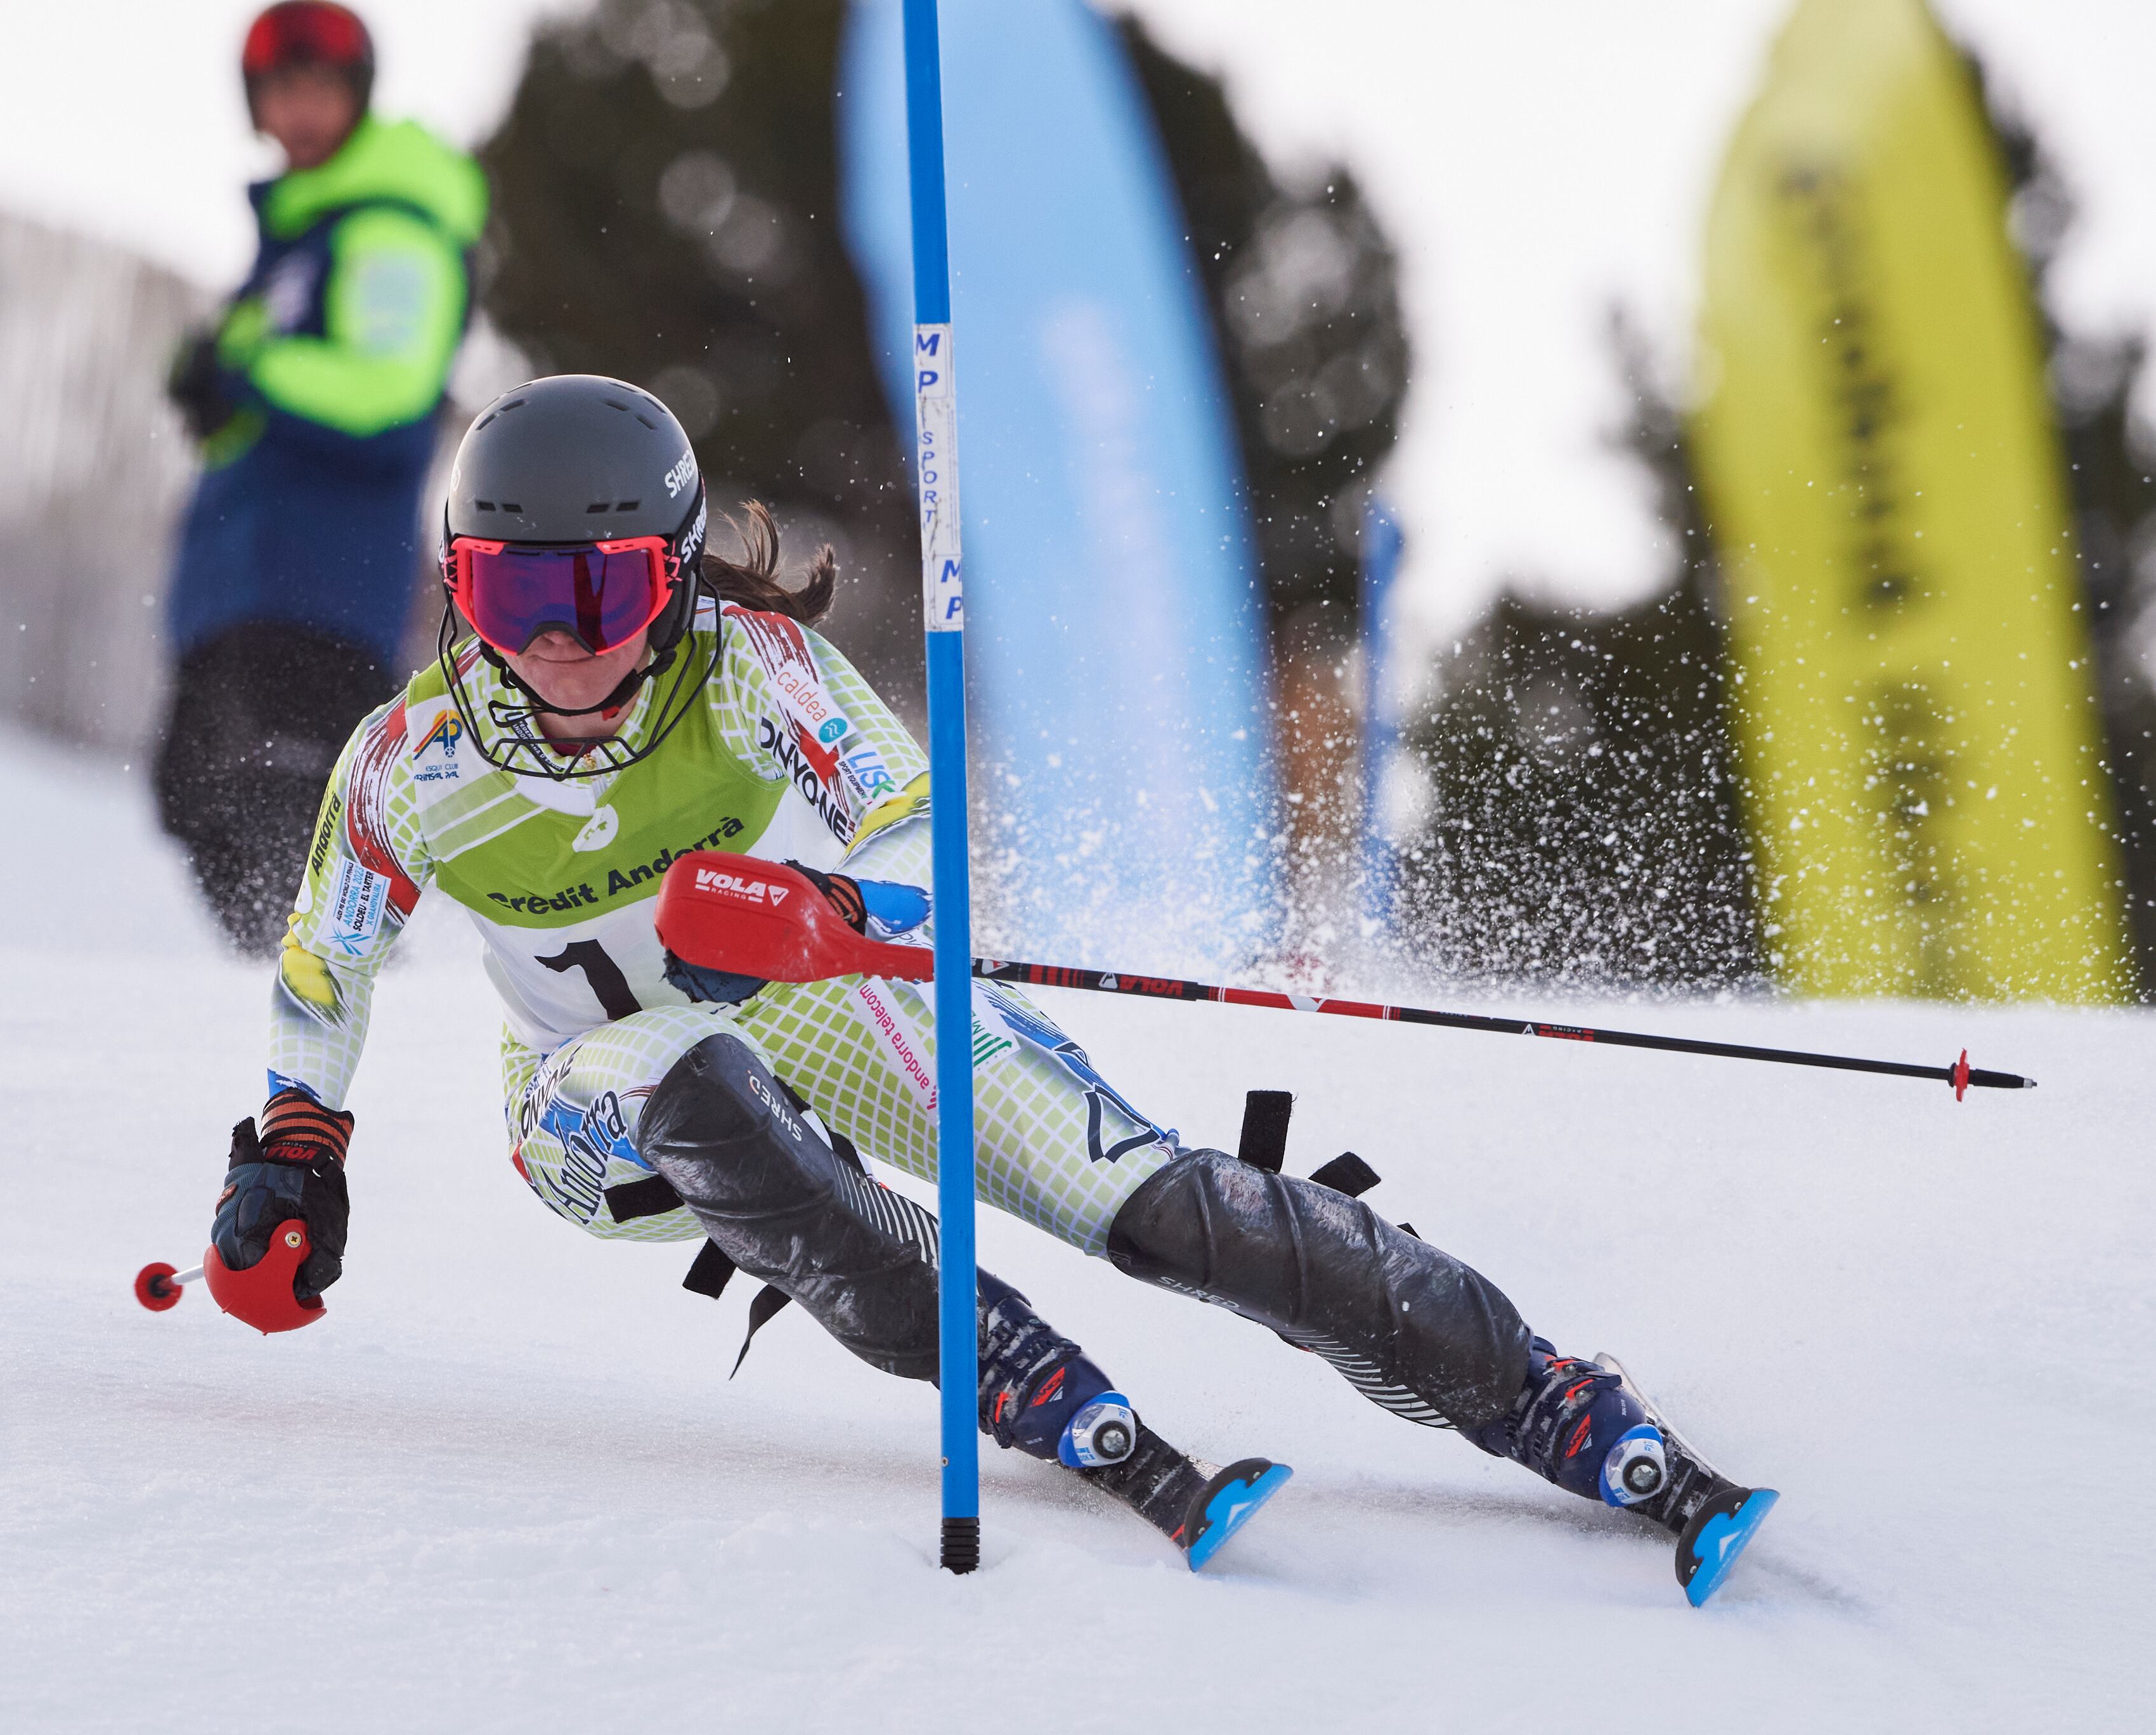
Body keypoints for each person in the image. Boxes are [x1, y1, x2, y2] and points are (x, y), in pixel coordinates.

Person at [205, 374, 1779, 1597]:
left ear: (674, 581)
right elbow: (323, 961)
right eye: (512, 598)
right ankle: (1005, 1359)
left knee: (1149, 1199)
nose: (557, 651)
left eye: (601, 598)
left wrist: (830, 902)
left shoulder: (754, 672)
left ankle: (1548, 1396)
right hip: (591, 1112)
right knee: (684, 1065)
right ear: (459, 589)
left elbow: (915, 832)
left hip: (807, 989)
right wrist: (293, 1145)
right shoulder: (410, 763)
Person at [157, 0, 488, 952]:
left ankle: (327, 1052)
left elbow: (388, 391)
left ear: (358, 98)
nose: (299, 112)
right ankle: (274, 1023)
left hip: (318, 596)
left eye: (321, 89)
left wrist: (251, 372)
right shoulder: (298, 239)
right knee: (199, 801)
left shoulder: (390, 228)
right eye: (280, 91)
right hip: (245, 587)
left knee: (290, 836)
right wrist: (215, 390)